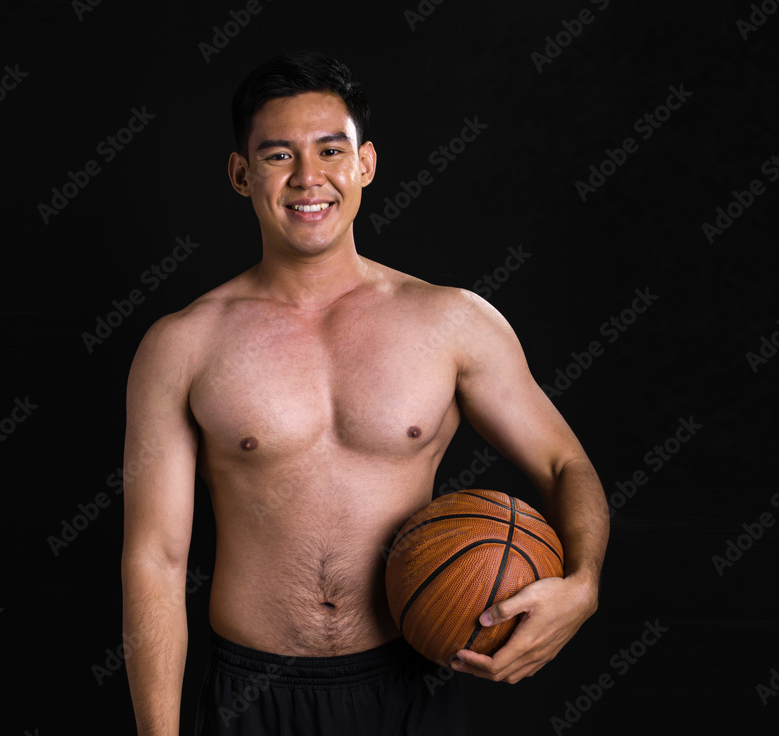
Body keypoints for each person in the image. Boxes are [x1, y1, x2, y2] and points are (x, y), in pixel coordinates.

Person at [121, 51, 609, 736]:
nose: (307, 177)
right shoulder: (182, 346)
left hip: (411, 687)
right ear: (240, 174)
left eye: (331, 151)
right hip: (253, 697)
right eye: (278, 155)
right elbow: (156, 560)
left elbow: (565, 465)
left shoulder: (453, 321)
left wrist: (583, 583)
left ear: (366, 164)